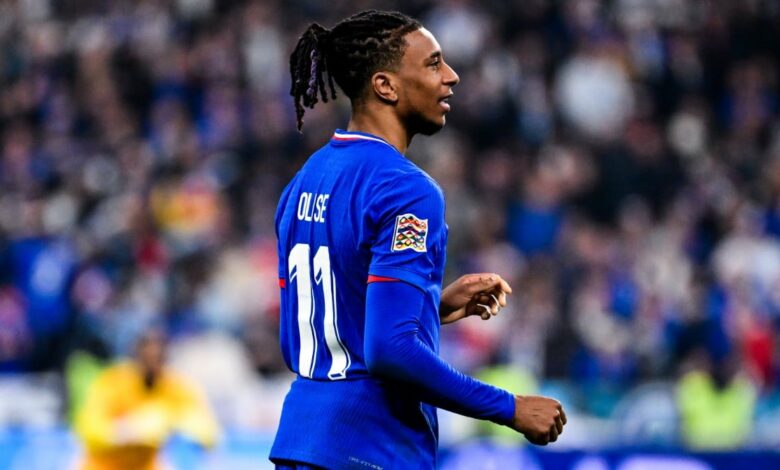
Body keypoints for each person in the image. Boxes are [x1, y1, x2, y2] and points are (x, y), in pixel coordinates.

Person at [272, 10, 566, 469]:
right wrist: (511, 408)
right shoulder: (405, 189)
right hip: (370, 447)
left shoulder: (304, 181)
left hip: (300, 444)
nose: (451, 76)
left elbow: (322, 328)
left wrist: (430, 308)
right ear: (385, 86)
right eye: (433, 64)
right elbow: (391, 351)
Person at [74, 329, 220, 470]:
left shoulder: (175, 387)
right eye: (147, 357)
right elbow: (89, 430)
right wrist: (129, 430)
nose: (152, 364)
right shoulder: (114, 382)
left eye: (158, 358)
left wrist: (175, 423)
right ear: (136, 356)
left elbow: (208, 432)